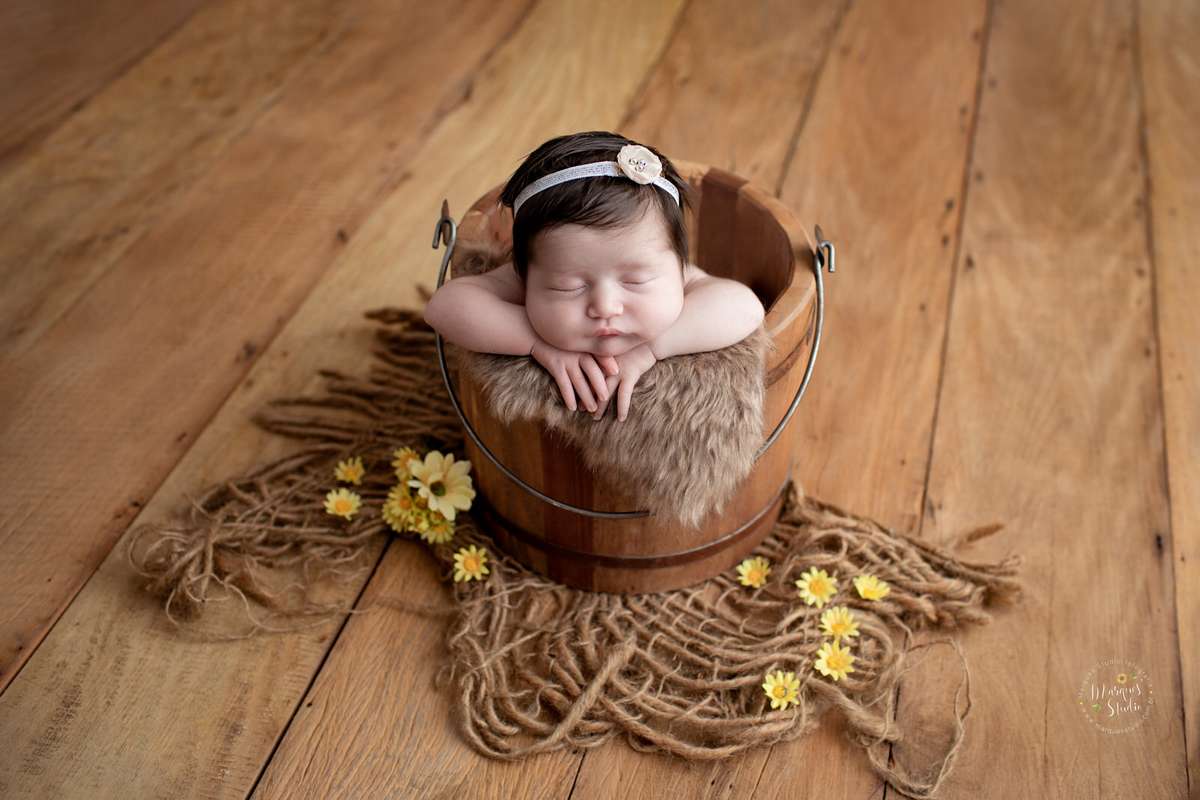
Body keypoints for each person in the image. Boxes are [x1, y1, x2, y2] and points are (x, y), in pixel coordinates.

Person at [423, 131, 764, 421]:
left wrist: (652, 349)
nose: (605, 307)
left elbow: (745, 308)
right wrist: (536, 342)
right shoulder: (529, 275)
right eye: (568, 287)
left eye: (634, 282)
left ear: (677, 262)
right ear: (527, 276)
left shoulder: (674, 273)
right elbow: (444, 306)